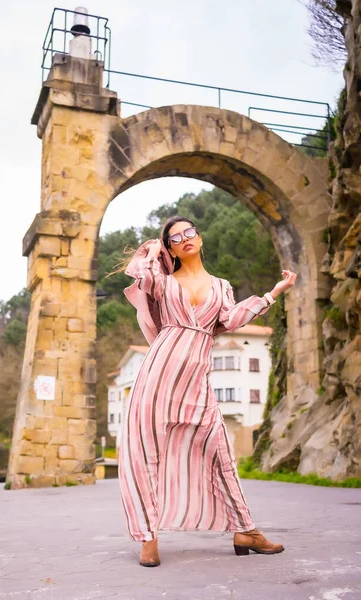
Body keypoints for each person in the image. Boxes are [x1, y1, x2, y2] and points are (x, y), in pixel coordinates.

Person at [117, 216, 297, 567]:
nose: (184, 239)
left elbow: (229, 321)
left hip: (197, 378)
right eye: (174, 238)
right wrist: (153, 250)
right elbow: (139, 272)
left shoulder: (222, 285)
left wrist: (272, 294)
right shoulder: (163, 281)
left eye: (189, 232)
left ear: (199, 237)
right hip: (158, 374)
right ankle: (148, 537)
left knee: (221, 453)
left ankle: (246, 529)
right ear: (170, 247)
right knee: (144, 452)